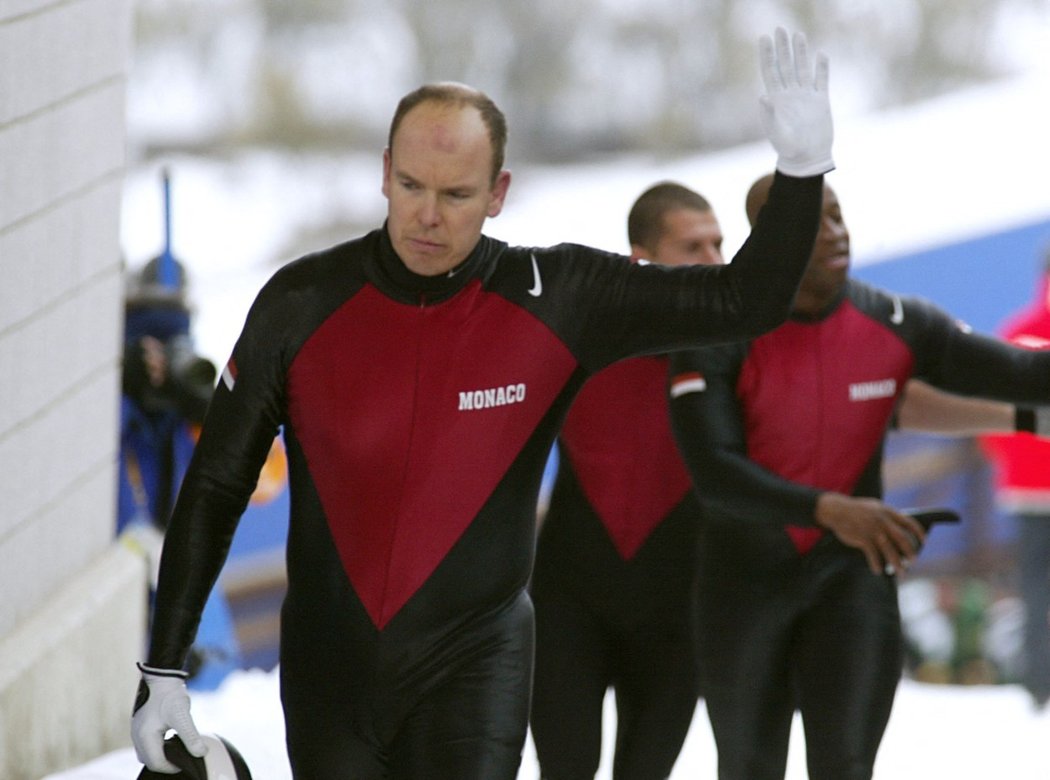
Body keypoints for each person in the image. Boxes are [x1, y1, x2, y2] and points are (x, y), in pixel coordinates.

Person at [131, 29, 834, 779]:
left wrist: (798, 174)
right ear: (384, 175)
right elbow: (216, 482)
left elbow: (743, 298)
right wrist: (165, 668)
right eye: (411, 186)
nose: (428, 216)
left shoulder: (558, 300)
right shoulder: (299, 305)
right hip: (331, 673)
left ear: (498, 193)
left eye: (457, 194)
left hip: (475, 666)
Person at [666, 172, 1050, 780]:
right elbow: (717, 474)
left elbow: (1026, 373)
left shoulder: (893, 321)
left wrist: (1027, 414)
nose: (834, 234)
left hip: (850, 581)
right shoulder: (721, 332)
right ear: (768, 238)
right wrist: (833, 510)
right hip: (743, 584)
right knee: (748, 767)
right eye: (812, 223)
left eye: (839, 216)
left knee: (845, 767)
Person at [529, 182, 724, 780]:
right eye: (695, 247)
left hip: (677, 614)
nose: (716, 262)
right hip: (569, 608)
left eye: (720, 244)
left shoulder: (732, 353)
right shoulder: (578, 345)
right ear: (642, 259)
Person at [119, 255, 242, 691]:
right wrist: (123, 384)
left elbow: (265, 479)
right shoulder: (118, 407)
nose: (165, 364)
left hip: (158, 598)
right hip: (120, 586)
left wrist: (210, 415)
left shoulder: (182, 419)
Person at [980, 245, 1050, 709]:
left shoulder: (1014, 335)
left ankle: (1039, 684)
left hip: (1027, 490)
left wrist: (1015, 460)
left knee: (1036, 589)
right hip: (1029, 488)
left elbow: (987, 418)